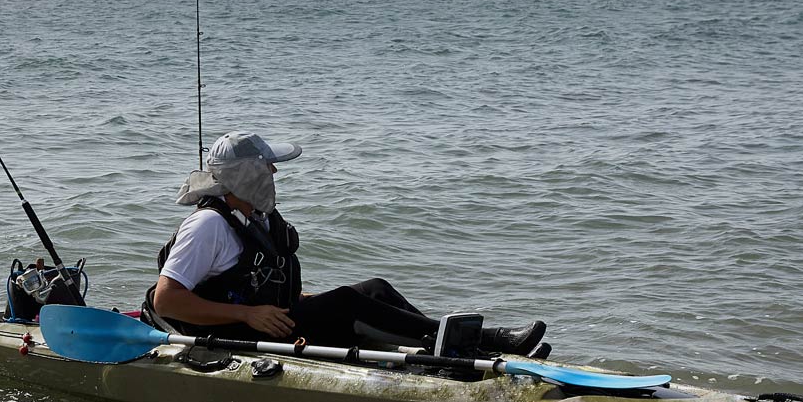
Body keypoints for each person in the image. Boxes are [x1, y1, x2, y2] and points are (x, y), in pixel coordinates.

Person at [146, 131, 549, 358]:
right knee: (345, 303)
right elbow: (166, 301)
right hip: (237, 332)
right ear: (247, 173)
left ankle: (446, 343)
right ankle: (478, 343)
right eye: (267, 166)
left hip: (269, 318)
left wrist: (296, 299)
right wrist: (250, 315)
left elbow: (258, 282)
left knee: (374, 289)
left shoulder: (256, 219)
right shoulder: (208, 225)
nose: (273, 172)